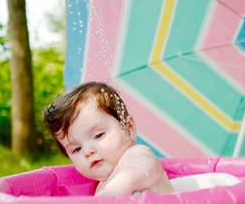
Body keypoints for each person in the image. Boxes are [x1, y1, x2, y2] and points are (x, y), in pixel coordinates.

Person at [43, 82, 174, 197]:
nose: (88, 151)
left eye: (98, 136)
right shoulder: (102, 184)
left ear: (128, 128)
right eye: (76, 149)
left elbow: (129, 179)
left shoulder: (138, 155)